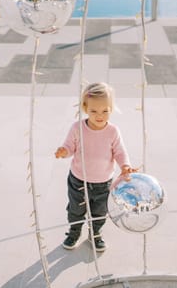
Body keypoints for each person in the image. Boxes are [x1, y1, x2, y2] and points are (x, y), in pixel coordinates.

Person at [55, 82, 137, 252]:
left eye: (105, 111)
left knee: (99, 212)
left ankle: (95, 233)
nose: (100, 115)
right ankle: (74, 232)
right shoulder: (77, 128)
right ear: (85, 107)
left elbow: (120, 152)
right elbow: (70, 147)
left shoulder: (113, 131)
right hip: (78, 179)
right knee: (76, 210)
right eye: (94, 111)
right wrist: (64, 151)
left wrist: (125, 165)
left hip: (103, 182)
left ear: (111, 108)